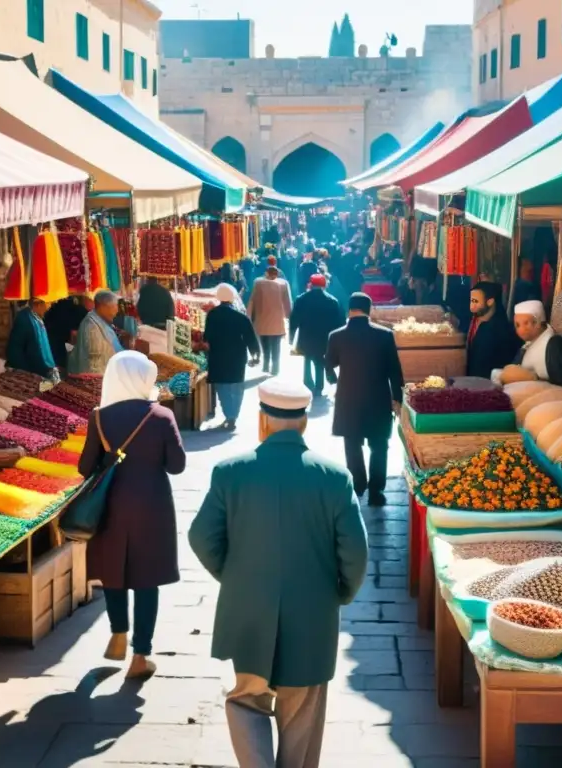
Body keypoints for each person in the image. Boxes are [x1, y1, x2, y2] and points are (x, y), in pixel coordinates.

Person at [189, 379, 368, 768]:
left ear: (262, 421)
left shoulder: (229, 472)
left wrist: (234, 576)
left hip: (248, 609)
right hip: (312, 612)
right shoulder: (335, 478)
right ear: (304, 423)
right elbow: (355, 554)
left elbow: (201, 537)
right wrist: (339, 593)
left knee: (246, 699)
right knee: (302, 712)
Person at [78, 351, 186, 679]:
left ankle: (118, 632)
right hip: (152, 507)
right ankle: (141, 654)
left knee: (114, 570)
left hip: (110, 505)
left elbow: (85, 468)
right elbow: (177, 466)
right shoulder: (162, 416)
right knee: (147, 579)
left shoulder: (99, 417)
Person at [326, 292, 405, 506]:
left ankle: (358, 485)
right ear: (369, 311)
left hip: (348, 398)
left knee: (352, 444)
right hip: (378, 398)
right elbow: (395, 371)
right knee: (379, 445)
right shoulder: (385, 335)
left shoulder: (336, 335)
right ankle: (376, 492)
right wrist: (397, 399)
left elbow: (328, 365)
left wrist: (334, 381)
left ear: (349, 310)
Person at [204, 283, 261, 430]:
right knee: (236, 386)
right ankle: (233, 416)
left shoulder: (212, 315)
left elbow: (207, 337)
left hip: (218, 355)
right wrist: (256, 354)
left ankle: (228, 414)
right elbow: (251, 338)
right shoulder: (240, 316)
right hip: (237, 356)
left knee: (222, 387)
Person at [492, 300, 562, 389]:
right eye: (517, 325)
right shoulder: (526, 346)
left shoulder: (555, 345)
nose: (520, 330)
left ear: (538, 323)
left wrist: (534, 379)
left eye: (526, 323)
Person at [289, 274, 344, 396]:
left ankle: (308, 381)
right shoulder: (332, 301)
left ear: (311, 284)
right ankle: (319, 386)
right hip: (324, 337)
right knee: (319, 359)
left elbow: (294, 320)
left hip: (306, 335)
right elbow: (339, 322)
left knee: (307, 357)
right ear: (324, 285)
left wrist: (291, 337)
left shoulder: (301, 299)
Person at [466, 281, 522, 379]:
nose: (471, 306)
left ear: (490, 301)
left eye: (475, 301)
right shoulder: (474, 320)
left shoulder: (499, 329)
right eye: (471, 301)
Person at [247, 257, 291, 377]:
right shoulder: (283, 283)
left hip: (262, 318)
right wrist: (289, 315)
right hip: (277, 320)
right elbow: (287, 301)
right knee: (276, 345)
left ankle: (266, 364)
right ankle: (275, 367)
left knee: (264, 342)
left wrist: (249, 314)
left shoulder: (258, 282)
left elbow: (252, 299)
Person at [68, 290, 124, 375]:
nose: (116, 311)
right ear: (103, 306)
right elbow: (95, 361)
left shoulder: (101, 321)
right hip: (96, 380)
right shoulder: (91, 326)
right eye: (114, 307)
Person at [5, 298, 58, 379]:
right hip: (31, 375)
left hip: (43, 372)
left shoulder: (38, 318)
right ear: (38, 304)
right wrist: (26, 375)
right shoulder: (24, 319)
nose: (49, 307)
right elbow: (14, 351)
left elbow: (44, 348)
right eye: (48, 303)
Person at [45, 295, 93, 370]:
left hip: (50, 348)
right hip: (63, 352)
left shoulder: (54, 308)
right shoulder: (81, 312)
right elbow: (74, 336)